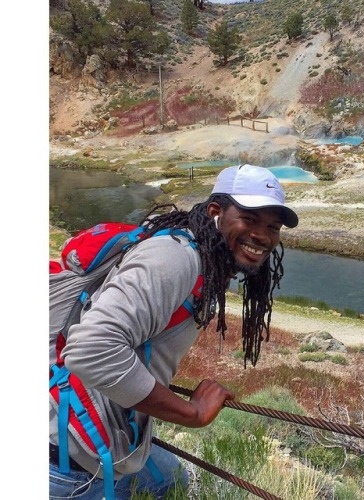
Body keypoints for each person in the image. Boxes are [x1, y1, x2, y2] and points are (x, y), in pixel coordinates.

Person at [49, 164, 299, 499]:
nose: (263, 236)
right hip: (68, 459)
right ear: (215, 212)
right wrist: (191, 414)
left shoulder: (202, 255)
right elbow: (91, 349)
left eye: (273, 226)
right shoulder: (176, 259)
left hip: (90, 427)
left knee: (172, 479)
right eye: (250, 219)